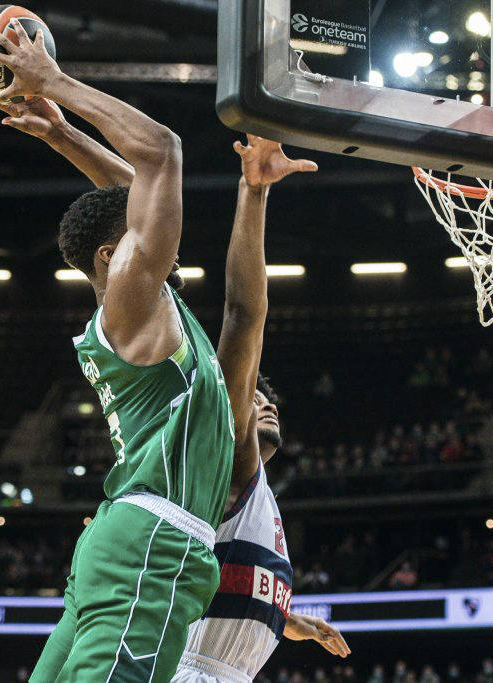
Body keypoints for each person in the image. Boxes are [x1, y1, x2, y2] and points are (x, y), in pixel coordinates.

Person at [0, 21, 234, 682]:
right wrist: (54, 81)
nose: (164, 235)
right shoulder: (130, 296)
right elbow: (161, 154)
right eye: (140, 235)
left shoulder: (136, 296)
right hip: (152, 541)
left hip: (121, 539)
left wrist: (63, 130)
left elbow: (136, 187)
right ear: (110, 257)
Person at [173, 136, 347, 683]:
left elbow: (223, 577)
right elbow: (244, 314)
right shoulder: (229, 460)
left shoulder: (257, 499)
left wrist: (282, 618)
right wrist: (254, 194)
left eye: (268, 399)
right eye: (255, 396)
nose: (264, 403)